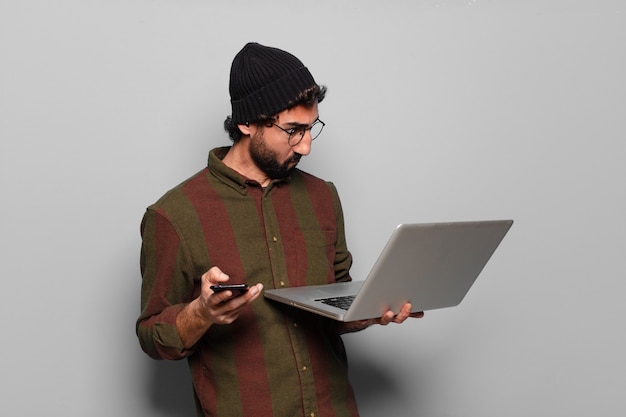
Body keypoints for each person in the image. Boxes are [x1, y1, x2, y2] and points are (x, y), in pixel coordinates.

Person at [136, 42, 423, 417]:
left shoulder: (322, 196)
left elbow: (334, 304)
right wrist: (201, 313)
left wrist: (372, 308)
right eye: (292, 130)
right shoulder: (174, 215)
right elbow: (152, 337)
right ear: (246, 123)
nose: (305, 146)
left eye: (311, 127)